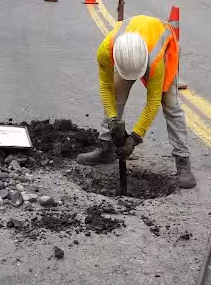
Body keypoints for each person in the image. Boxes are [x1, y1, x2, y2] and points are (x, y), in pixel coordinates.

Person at [76, 15, 195, 189]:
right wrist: (113, 120)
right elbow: (106, 88)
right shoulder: (105, 50)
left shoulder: (155, 61)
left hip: (162, 51)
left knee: (170, 104)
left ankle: (183, 160)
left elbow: (152, 102)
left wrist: (134, 138)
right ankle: (106, 149)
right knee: (116, 94)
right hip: (131, 52)